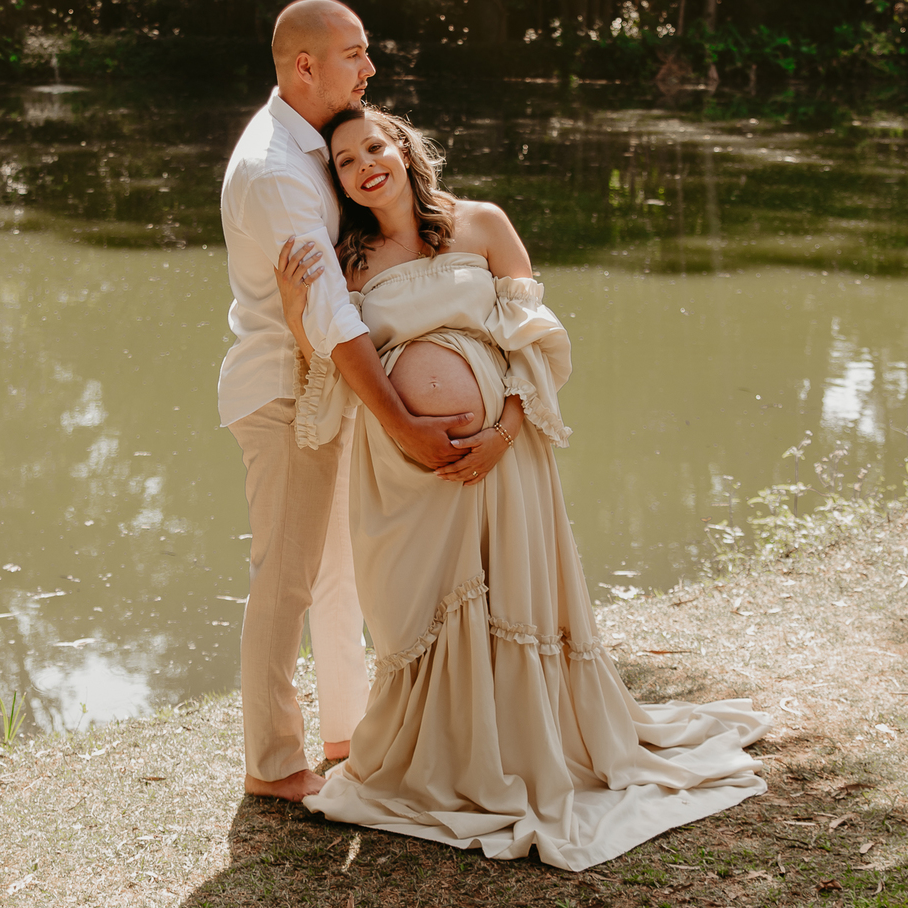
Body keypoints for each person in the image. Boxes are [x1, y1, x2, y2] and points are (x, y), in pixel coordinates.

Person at [275, 106, 771, 871]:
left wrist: (502, 434)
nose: (364, 165)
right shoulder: (351, 262)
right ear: (338, 182)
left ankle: (528, 751)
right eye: (345, 161)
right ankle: (446, 759)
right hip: (405, 474)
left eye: (374, 147)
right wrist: (292, 307)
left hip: (507, 458)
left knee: (512, 596)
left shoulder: (481, 224)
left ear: (403, 150)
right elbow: (333, 367)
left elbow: (532, 342)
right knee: (414, 608)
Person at [218, 0, 477, 804]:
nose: (370, 68)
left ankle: (345, 733)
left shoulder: (312, 147)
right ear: (306, 66)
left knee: (335, 576)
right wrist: (402, 423)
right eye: (356, 54)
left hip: (320, 387)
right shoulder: (275, 171)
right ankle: (271, 764)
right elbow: (328, 312)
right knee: (286, 579)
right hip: (285, 394)